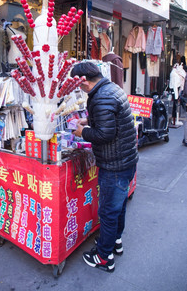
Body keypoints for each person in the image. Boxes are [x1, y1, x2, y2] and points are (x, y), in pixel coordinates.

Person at [71, 61, 138, 273]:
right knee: (118, 208)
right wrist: (88, 119)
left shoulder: (101, 97)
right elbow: (110, 119)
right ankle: (115, 242)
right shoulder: (111, 88)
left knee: (108, 211)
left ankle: (104, 257)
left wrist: (83, 132)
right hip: (126, 161)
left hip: (114, 165)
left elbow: (104, 134)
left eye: (79, 85)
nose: (80, 90)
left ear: (85, 82)